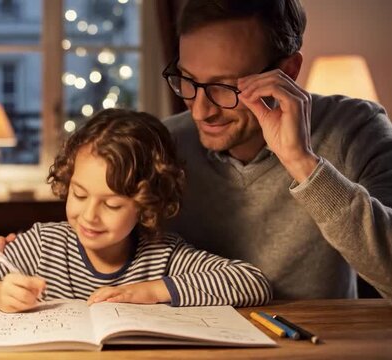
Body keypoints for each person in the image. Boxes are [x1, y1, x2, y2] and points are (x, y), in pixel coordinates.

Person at [0, 109, 272, 313]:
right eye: (79, 194)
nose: (89, 216)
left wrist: (152, 292)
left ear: (146, 204)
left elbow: (252, 282)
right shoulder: (45, 244)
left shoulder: (163, 255)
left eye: (111, 204)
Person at [162, 0, 392, 300]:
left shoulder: (355, 128)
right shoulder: (164, 143)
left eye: (226, 86)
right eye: (188, 80)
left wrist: (302, 163)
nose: (200, 112)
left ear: (288, 70)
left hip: (318, 342)